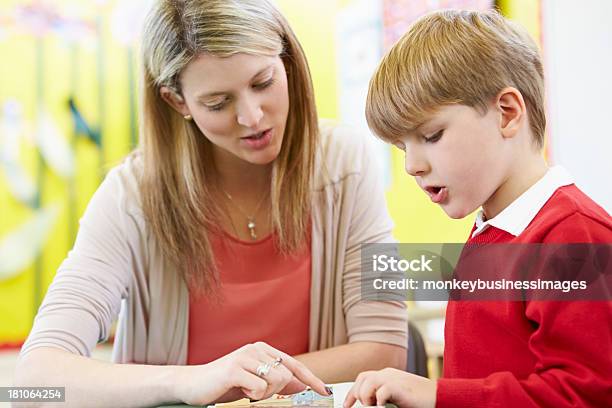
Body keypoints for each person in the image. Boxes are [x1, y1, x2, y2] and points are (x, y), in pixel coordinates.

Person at [14, 0, 408, 406]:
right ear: (177, 102)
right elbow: (35, 379)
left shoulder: (346, 163)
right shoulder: (129, 198)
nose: (252, 117)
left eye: (262, 82)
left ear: (286, 61)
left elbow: (384, 347)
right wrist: (191, 382)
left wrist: (248, 380)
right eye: (219, 103)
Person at [345, 9, 612, 408]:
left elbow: (585, 395)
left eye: (431, 135)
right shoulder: (491, 231)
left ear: (507, 113)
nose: (412, 165)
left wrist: (437, 395)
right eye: (403, 147)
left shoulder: (575, 235)